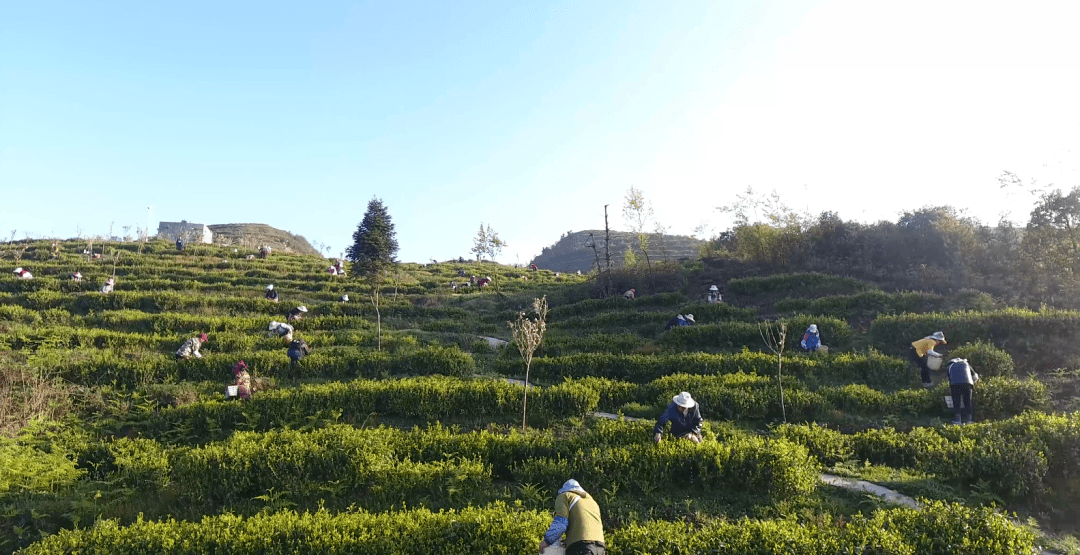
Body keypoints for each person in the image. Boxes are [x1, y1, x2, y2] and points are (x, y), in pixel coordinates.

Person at [538, 479, 605, 555]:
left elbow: (561, 524)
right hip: (600, 547)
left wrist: (547, 541)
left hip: (581, 547)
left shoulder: (565, 495)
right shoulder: (592, 502)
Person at [947, 358, 979, 425]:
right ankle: (969, 420)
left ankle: (957, 420)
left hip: (955, 384)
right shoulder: (966, 364)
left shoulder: (950, 366)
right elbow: (975, 377)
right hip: (968, 384)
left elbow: (949, 378)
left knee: (956, 401)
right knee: (968, 402)